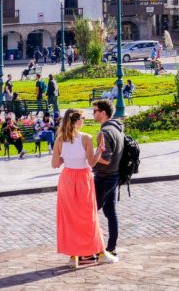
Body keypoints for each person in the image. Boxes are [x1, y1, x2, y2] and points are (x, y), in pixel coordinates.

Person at [52, 108, 116, 267]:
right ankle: (101, 253)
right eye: (82, 118)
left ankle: (73, 257)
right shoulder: (86, 138)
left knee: (70, 218)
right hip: (82, 179)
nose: (84, 120)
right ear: (76, 121)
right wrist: (100, 150)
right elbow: (92, 162)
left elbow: (54, 164)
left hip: (66, 179)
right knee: (89, 217)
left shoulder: (59, 140)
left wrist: (64, 158)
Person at [92, 100, 124, 261]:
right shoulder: (117, 128)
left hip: (104, 176)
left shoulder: (104, 132)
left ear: (103, 112)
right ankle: (112, 248)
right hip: (115, 175)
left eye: (95, 111)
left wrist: (91, 158)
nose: (93, 114)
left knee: (90, 211)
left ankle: (89, 250)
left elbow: (106, 159)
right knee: (111, 212)